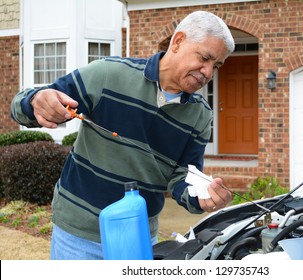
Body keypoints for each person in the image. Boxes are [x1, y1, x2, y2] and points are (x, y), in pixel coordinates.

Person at [10, 11, 235, 259]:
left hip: (137, 238)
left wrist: (202, 197)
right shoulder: (109, 75)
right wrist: (36, 101)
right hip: (78, 237)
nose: (208, 72)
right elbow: (24, 105)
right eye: (205, 58)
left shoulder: (200, 115)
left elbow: (183, 177)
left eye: (217, 65)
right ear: (178, 41)